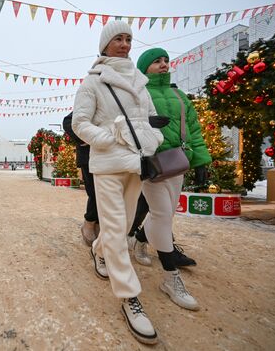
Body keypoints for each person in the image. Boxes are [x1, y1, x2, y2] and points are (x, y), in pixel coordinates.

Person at [72, 20, 164, 345]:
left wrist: (153, 137)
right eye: (118, 39)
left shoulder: (140, 80)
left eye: (128, 38)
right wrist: (108, 139)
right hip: (108, 164)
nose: (125, 44)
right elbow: (80, 122)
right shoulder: (92, 81)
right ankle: (130, 298)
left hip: (137, 162)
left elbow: (151, 118)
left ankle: (99, 250)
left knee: (122, 225)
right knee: (114, 227)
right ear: (105, 44)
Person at [129, 47, 211, 312]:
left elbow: (194, 128)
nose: (163, 65)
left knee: (164, 215)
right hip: (151, 162)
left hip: (178, 161)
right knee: (162, 214)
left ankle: (140, 241)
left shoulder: (179, 95)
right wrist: (146, 124)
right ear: (144, 68)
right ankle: (170, 277)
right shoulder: (137, 93)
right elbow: (126, 124)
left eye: (165, 60)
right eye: (156, 62)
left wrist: (201, 160)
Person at [63, 112, 99, 246]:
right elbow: (68, 122)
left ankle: (100, 224)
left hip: (108, 154)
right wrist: (83, 139)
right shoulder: (88, 97)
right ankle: (89, 222)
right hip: (88, 156)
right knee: (94, 193)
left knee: (107, 194)